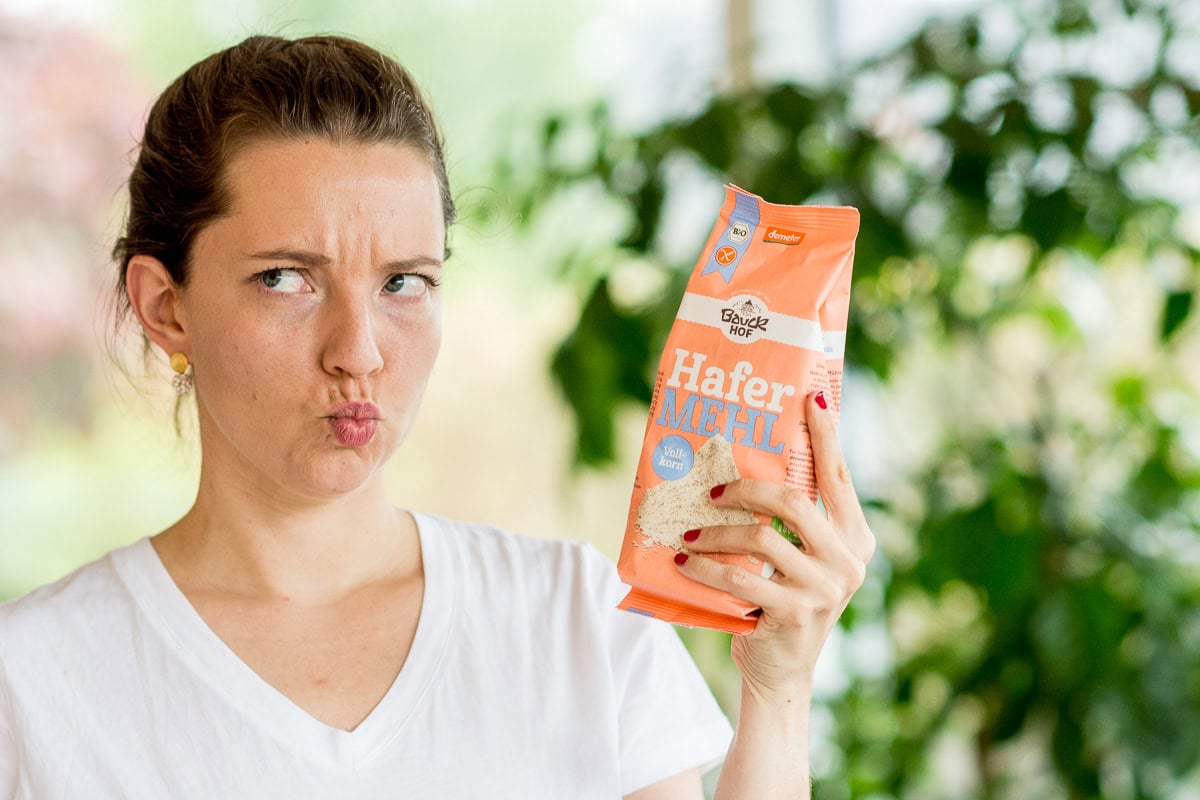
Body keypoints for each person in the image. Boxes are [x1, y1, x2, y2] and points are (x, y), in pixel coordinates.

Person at [0, 34, 874, 799]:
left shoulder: (579, 623)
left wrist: (779, 690)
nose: (361, 350)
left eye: (403, 283)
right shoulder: (31, 685)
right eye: (286, 279)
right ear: (166, 307)